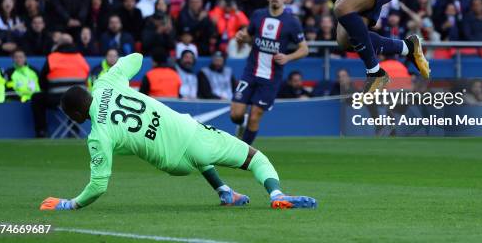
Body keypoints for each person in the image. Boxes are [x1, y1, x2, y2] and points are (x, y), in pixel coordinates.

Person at [39, 54, 316, 211]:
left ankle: (224, 191)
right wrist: (115, 68)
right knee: (256, 158)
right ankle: (277, 195)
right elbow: (136, 58)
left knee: (199, 158)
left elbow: (98, 186)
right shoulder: (105, 83)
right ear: (88, 92)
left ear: (76, 115)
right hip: (190, 133)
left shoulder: (98, 136)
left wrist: (69, 204)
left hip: (171, 163)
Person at [229, 0, 308, 145]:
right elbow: (248, 35)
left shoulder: (292, 22)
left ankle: (243, 152)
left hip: (271, 78)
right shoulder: (258, 15)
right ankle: (241, 124)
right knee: (235, 115)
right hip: (250, 72)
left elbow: (304, 49)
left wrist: (287, 57)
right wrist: (242, 37)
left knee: (255, 116)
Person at [31, 35, 90, 137]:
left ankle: (41, 131)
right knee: (74, 99)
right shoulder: (80, 58)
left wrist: (48, 90)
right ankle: (74, 130)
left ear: (58, 45)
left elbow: (42, 80)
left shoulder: (52, 57)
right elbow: (86, 78)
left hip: (57, 99)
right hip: (80, 100)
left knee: (37, 98)